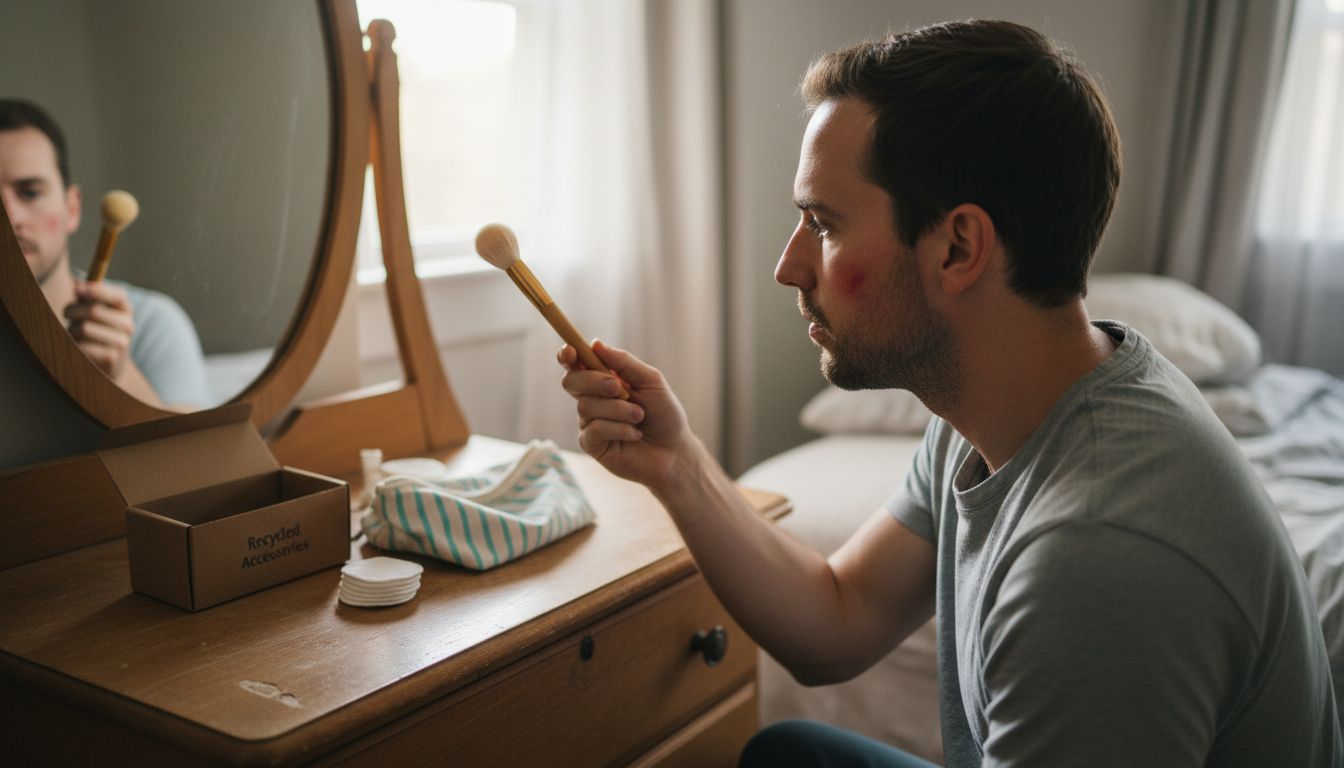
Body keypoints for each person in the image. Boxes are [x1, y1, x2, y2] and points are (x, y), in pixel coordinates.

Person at [557, 20, 1341, 767]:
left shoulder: (1097, 559)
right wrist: (678, 466)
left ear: (960, 246)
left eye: (823, 225)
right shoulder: (991, 408)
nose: (789, 267)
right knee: (788, 755)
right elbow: (838, 619)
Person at [0, 98, 208, 410]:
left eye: (30, 192)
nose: (9, 216)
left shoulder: (152, 324)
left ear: (72, 208)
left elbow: (200, 457)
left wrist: (120, 377)